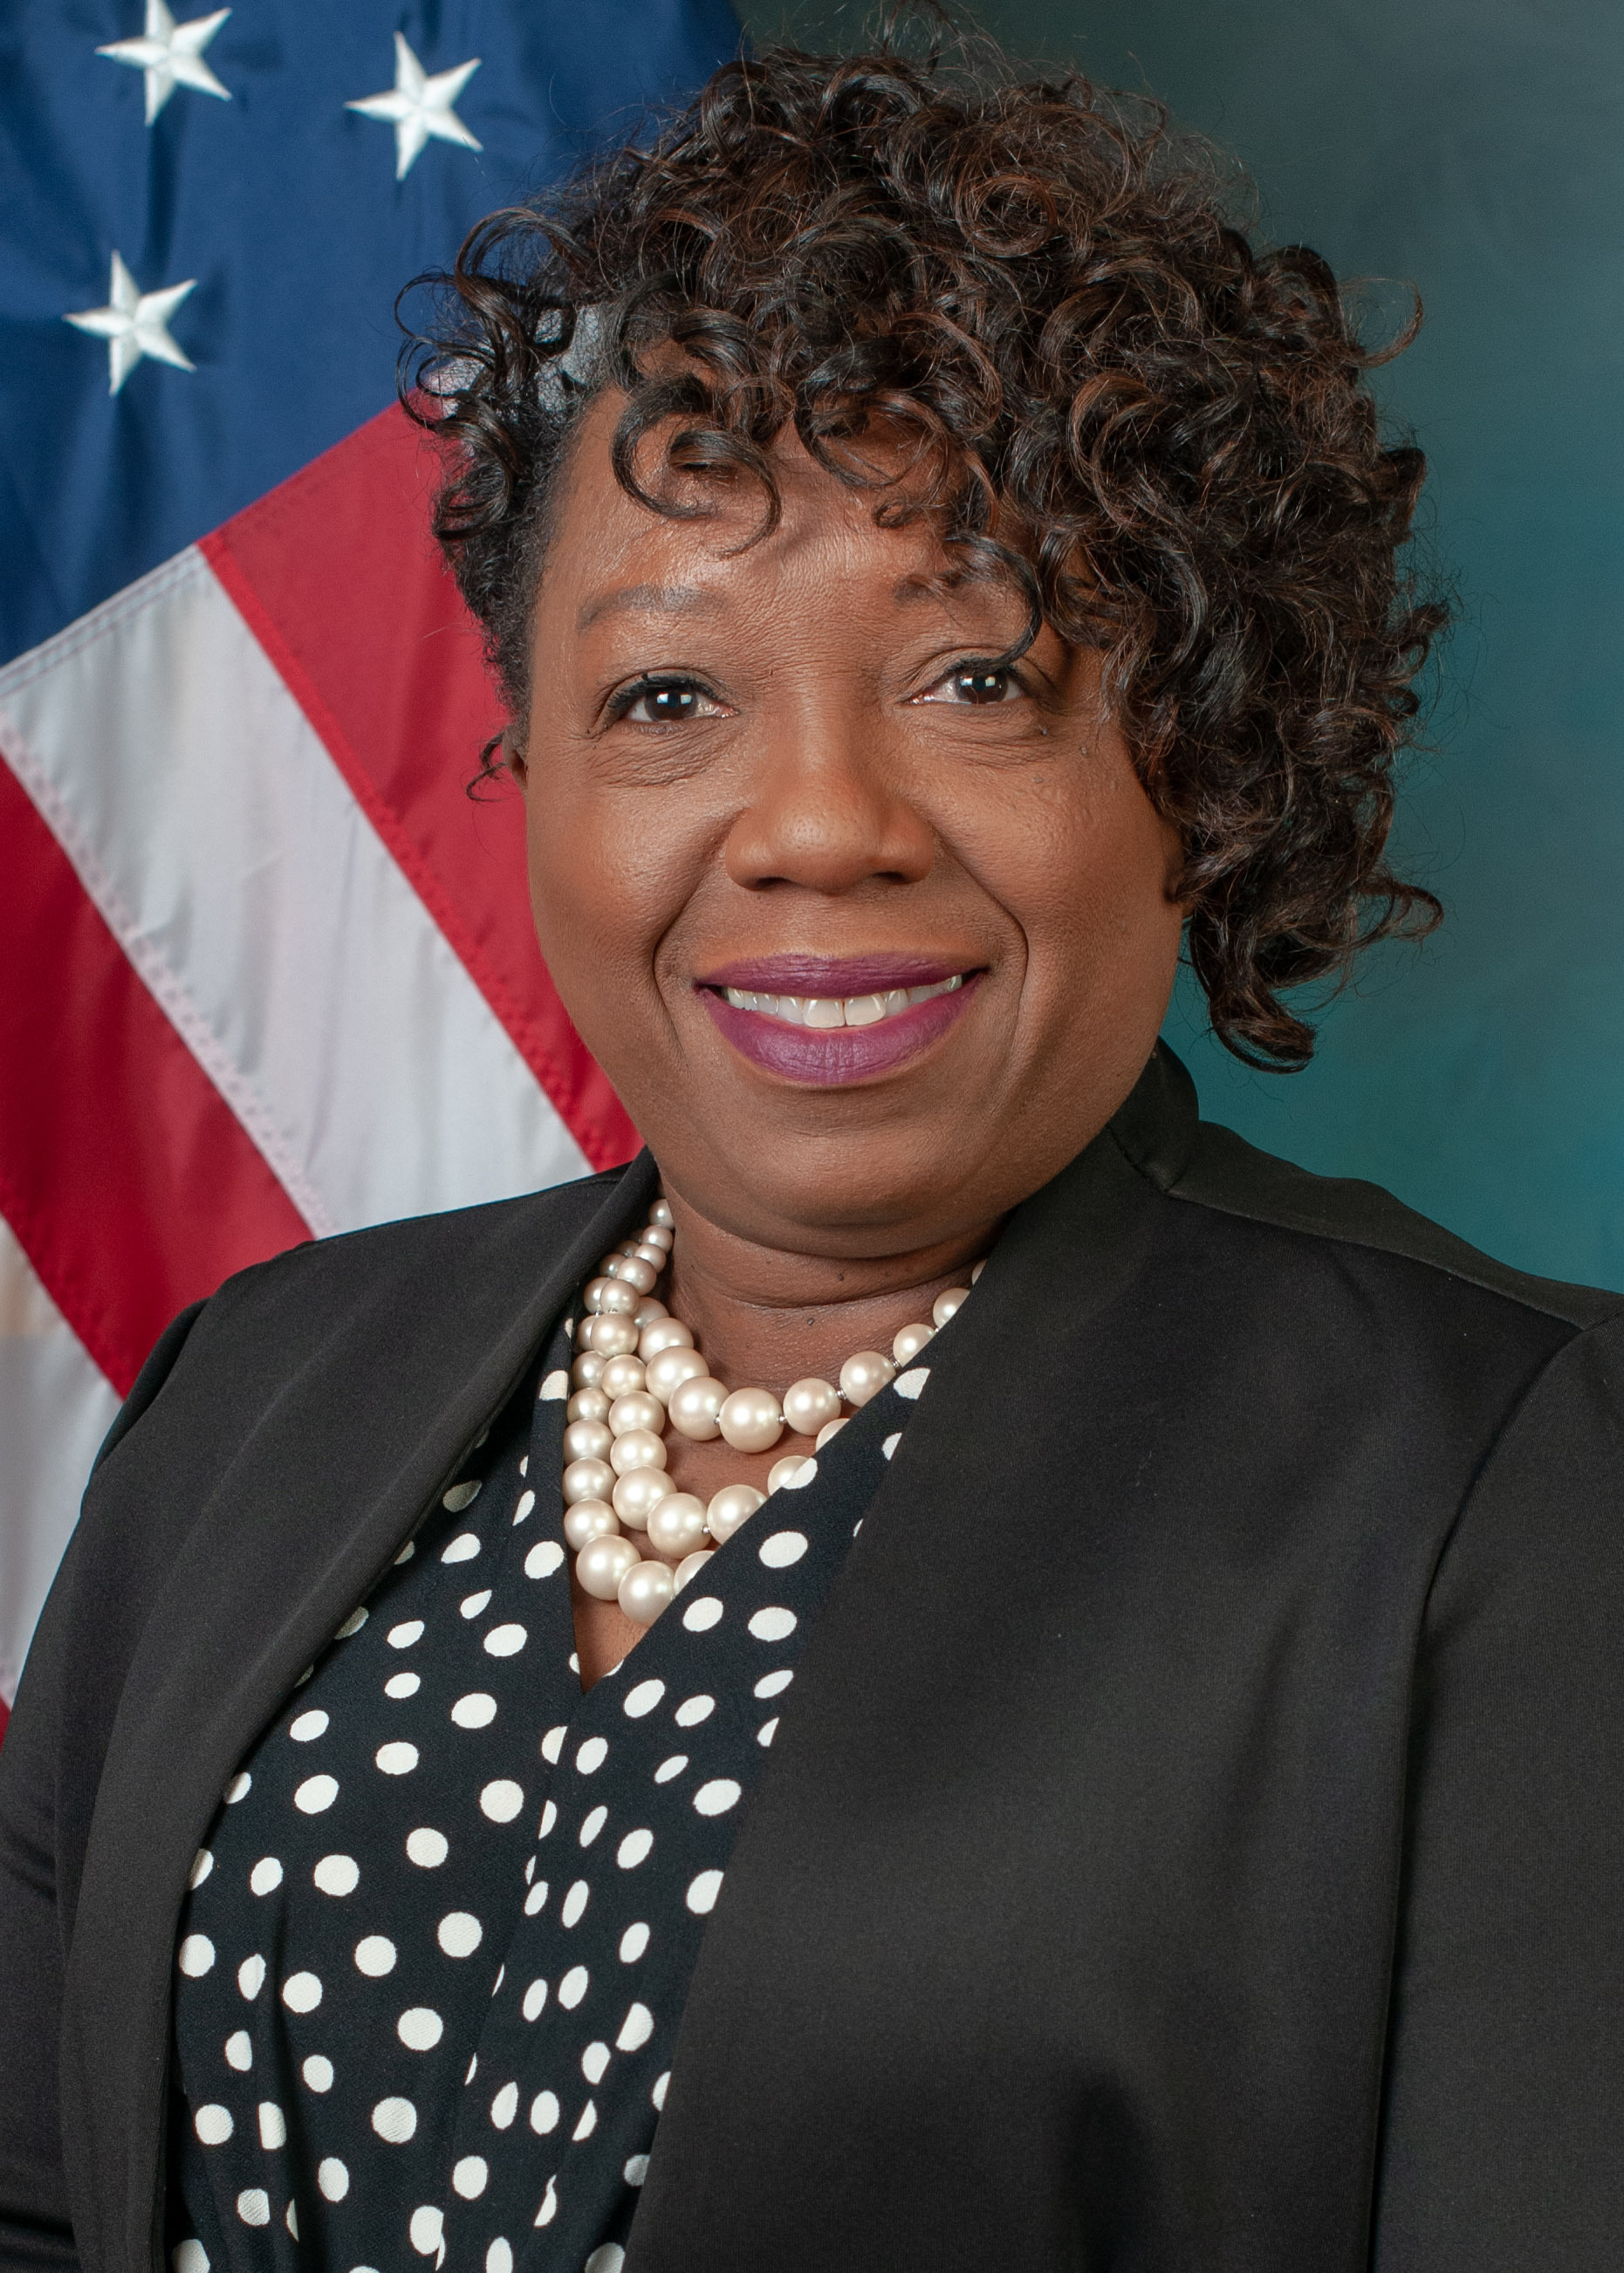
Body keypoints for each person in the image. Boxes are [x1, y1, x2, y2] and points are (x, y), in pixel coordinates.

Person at [4, 30, 1622, 2273]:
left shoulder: (1515, 1484)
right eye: (667, 695)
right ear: (535, 775)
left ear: (1205, 754)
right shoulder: (254, 1389)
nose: (819, 822)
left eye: (979, 676)